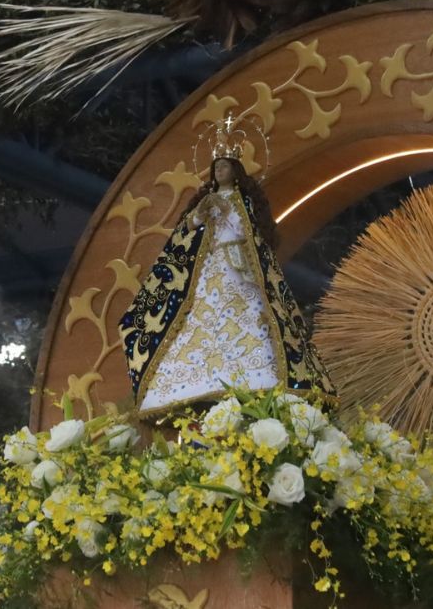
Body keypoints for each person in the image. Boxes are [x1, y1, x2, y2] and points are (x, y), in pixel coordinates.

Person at [120, 146, 332, 416]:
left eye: (224, 166)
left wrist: (227, 211)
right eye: (216, 166)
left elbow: (247, 231)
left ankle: (257, 373)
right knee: (202, 316)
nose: (219, 170)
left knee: (251, 315)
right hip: (210, 267)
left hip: (240, 266)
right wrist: (203, 211)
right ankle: (196, 378)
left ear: (235, 170)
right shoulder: (207, 199)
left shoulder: (242, 200)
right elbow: (187, 228)